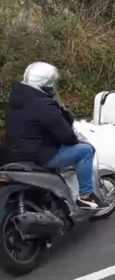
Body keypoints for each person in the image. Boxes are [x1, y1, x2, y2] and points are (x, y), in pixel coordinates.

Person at [4, 62, 107, 209]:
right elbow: (67, 138)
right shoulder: (43, 104)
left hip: (14, 153)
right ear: (47, 84)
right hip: (38, 155)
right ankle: (86, 196)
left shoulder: (18, 97)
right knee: (85, 151)